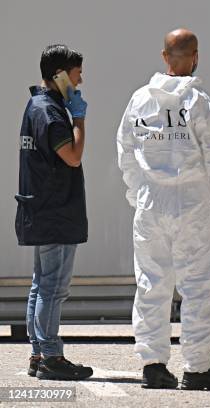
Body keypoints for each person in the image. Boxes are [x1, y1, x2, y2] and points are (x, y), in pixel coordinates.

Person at [117, 28, 210, 391]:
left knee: (151, 284)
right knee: (200, 286)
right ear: (196, 56)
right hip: (192, 204)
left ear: (163, 57)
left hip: (151, 204)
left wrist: (136, 194)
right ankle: (197, 367)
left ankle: (153, 365)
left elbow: (126, 153)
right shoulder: (201, 101)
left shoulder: (139, 100)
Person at [16, 44, 92, 381]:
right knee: (53, 288)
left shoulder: (38, 105)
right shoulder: (51, 111)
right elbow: (73, 156)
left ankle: (38, 353)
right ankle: (50, 355)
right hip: (55, 211)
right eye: (76, 75)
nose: (80, 81)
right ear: (60, 75)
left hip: (43, 209)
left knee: (41, 285)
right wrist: (79, 117)